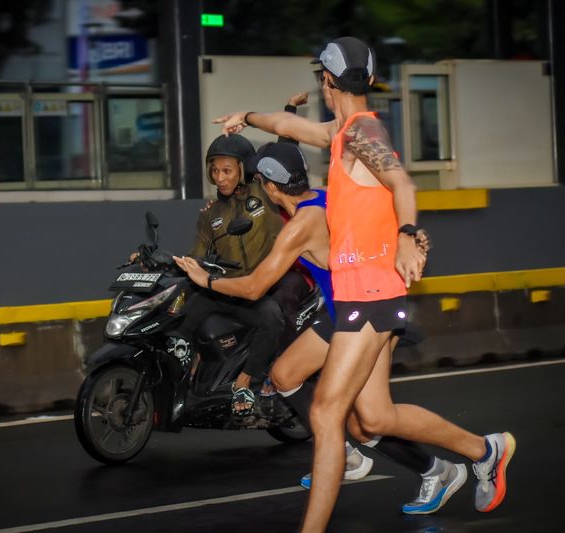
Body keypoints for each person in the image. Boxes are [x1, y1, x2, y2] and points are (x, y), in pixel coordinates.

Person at [213, 37, 515, 530]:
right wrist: (247, 116)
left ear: (327, 81)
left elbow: (402, 183)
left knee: (327, 414)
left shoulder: (361, 134)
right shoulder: (345, 130)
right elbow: (292, 125)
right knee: (373, 418)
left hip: (370, 294)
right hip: (366, 293)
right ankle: (487, 451)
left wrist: (406, 234)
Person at [175, 141, 466, 515]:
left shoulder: (300, 226)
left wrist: (205, 281)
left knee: (366, 421)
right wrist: (407, 237)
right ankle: (355, 455)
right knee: (285, 376)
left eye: (258, 182)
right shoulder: (323, 198)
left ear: (271, 187)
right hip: (343, 312)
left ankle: (441, 466)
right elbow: (371, 217)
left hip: (361, 312)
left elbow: (253, 288)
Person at [179, 133, 309, 416]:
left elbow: (281, 157)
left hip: (262, 285)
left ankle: (246, 381)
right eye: (215, 171)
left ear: (243, 169)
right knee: (185, 314)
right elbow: (196, 255)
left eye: (227, 170)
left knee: (272, 317)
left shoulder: (264, 192)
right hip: (230, 287)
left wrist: (289, 114)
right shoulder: (210, 214)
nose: (220, 177)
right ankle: (188, 373)